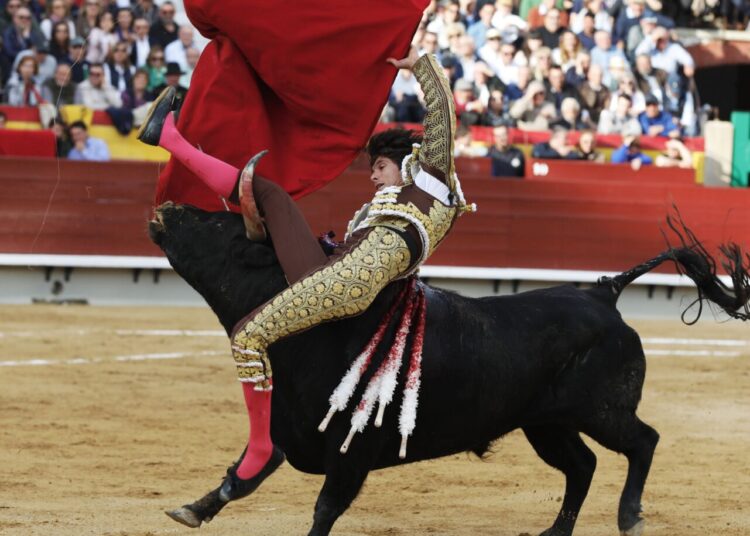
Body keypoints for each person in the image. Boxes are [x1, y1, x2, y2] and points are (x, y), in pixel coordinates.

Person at [139, 43, 471, 503]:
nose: (373, 177)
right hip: (334, 268)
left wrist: (421, 66)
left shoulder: (429, 180)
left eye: (380, 167)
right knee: (268, 193)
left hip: (350, 282)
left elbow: (443, 117)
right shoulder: (384, 206)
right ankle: (169, 138)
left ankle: (261, 450)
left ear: (408, 164)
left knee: (249, 337)